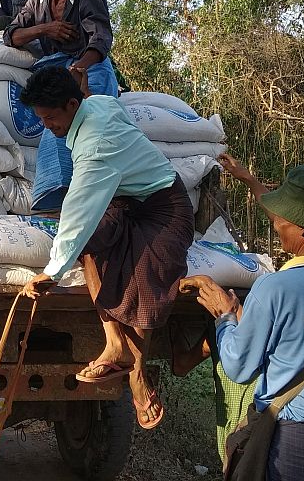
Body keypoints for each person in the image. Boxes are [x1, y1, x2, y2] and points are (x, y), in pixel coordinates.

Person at [181, 165, 304, 481]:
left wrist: (225, 317)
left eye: (281, 216)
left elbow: (238, 365)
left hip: (297, 443)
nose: (275, 223)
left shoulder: (274, 288)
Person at [18, 67, 192, 431]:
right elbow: (81, 224)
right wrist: (62, 261)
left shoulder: (95, 146)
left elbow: (78, 212)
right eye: (42, 118)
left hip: (165, 209)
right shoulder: (96, 104)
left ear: (71, 104)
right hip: (125, 200)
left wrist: (52, 272)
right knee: (90, 245)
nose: (48, 126)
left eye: (51, 117)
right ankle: (113, 342)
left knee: (145, 270)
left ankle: (137, 373)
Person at [4, 0, 118, 210]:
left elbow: (100, 38)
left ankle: (84, 188)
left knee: (87, 115)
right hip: (53, 68)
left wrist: (80, 68)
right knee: (53, 118)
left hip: (88, 63)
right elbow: (11, 35)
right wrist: (46, 28)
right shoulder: (37, 1)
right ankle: (55, 193)